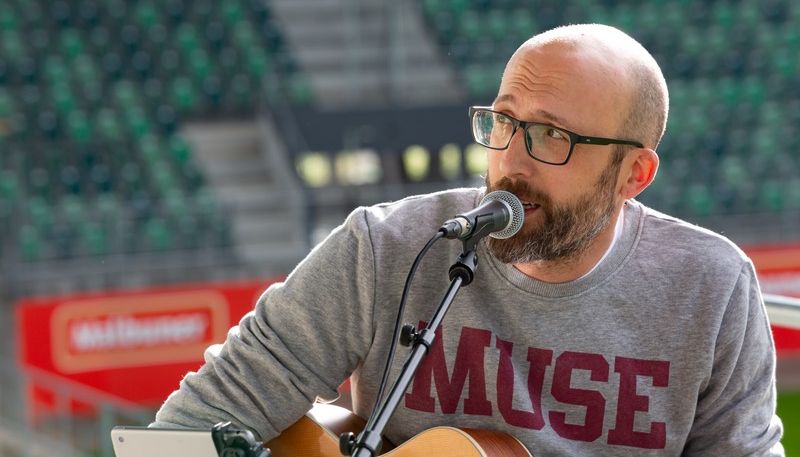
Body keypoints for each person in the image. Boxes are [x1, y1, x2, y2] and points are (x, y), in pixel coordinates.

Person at [152, 24, 784, 455]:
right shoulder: (387, 246)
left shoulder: (711, 286)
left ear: (633, 174)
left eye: (552, 136)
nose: (512, 161)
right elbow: (191, 427)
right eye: (504, 122)